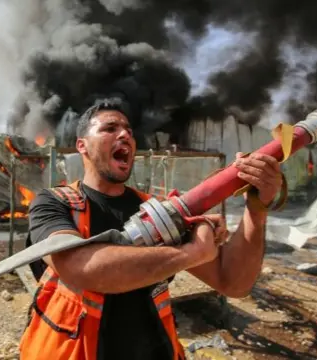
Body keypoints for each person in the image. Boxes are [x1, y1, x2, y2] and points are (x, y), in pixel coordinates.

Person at [19, 99, 285, 360]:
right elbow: (79, 267)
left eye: (129, 130)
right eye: (110, 129)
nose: (125, 134)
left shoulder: (156, 210)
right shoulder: (54, 203)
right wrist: (191, 254)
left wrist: (257, 207)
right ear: (82, 146)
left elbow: (233, 282)